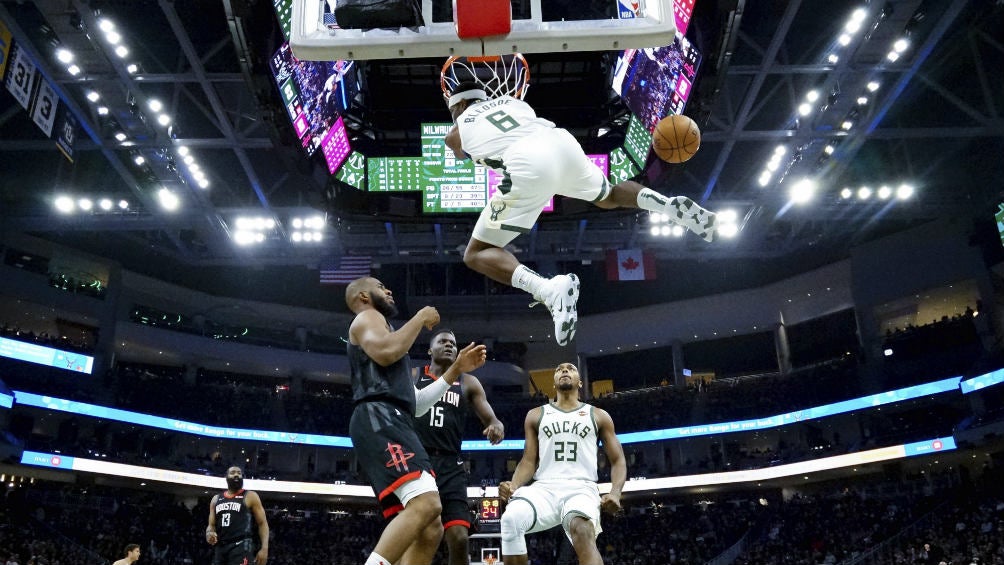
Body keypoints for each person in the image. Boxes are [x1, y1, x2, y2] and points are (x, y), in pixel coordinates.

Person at [445, 82, 718, 346]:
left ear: (460, 104)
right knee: (608, 195)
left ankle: (548, 291)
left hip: (525, 162)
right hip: (560, 142)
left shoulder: (455, 130)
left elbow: (458, 149)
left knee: (476, 252)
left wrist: (461, 124)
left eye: (452, 108)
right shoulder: (515, 103)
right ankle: (667, 205)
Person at [345, 277, 488, 565]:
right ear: (363, 295)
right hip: (381, 418)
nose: (389, 290)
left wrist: (456, 369)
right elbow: (386, 353)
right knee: (427, 504)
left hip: (393, 418)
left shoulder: (387, 333)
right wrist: (421, 317)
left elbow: (419, 404)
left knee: (430, 526)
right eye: (381, 286)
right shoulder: (369, 317)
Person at [497, 362, 626, 565]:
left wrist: (616, 492)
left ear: (580, 382)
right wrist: (514, 485)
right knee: (510, 520)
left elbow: (618, 460)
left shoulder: (598, 415)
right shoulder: (536, 415)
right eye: (559, 369)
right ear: (554, 382)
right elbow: (529, 461)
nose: (564, 370)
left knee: (582, 531)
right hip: (544, 488)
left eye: (570, 368)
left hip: (581, 487)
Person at [414, 329, 505, 565]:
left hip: (451, 464)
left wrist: (496, 426)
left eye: (453, 344)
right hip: (417, 461)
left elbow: (491, 419)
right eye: (442, 342)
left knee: (459, 537)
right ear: (429, 350)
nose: (449, 346)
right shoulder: (413, 376)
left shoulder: (468, 381)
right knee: (418, 533)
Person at [205, 466, 269, 565]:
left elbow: (262, 523)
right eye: (233, 472)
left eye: (239, 473)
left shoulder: (250, 496)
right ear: (226, 477)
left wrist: (264, 548)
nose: (236, 475)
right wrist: (209, 533)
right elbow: (211, 525)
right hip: (221, 547)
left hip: (241, 545)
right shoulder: (216, 499)